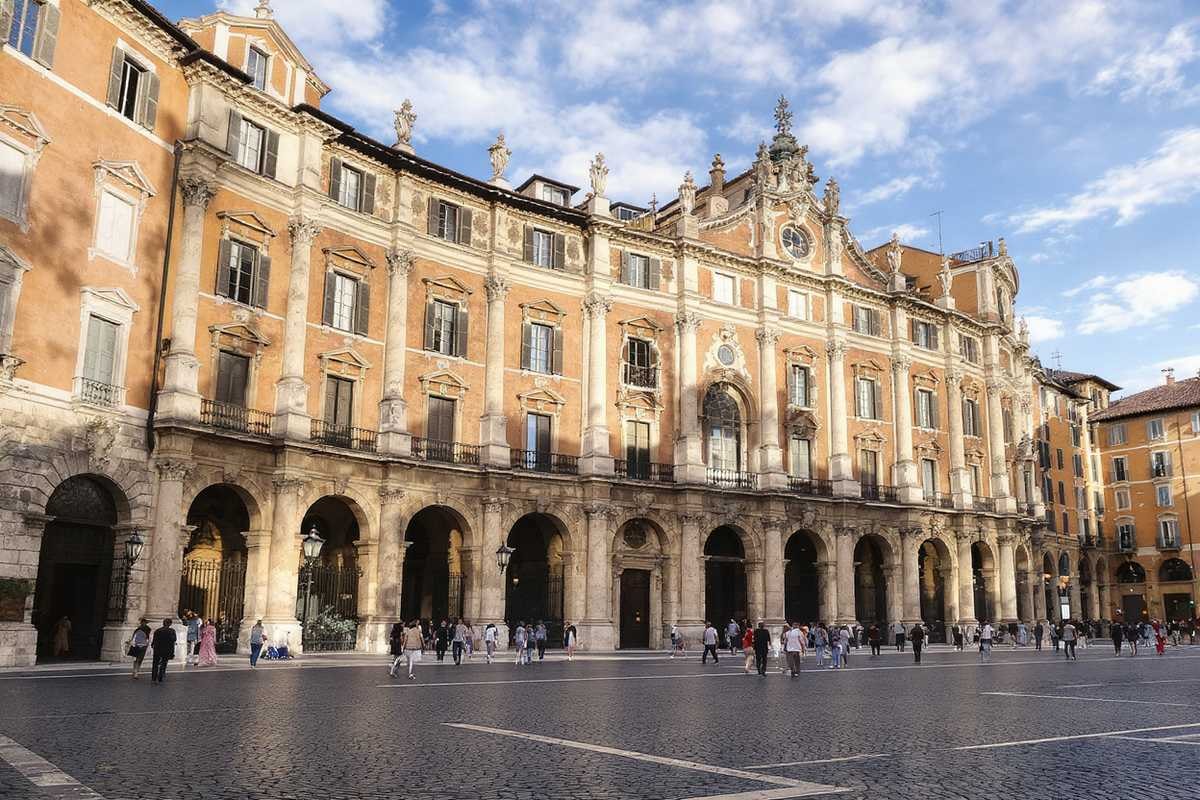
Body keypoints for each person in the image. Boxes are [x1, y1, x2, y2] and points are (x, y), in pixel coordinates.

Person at [150, 618, 176, 683]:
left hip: (157, 649)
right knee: (164, 663)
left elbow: (154, 641)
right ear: (170, 624)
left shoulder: (157, 630)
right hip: (166, 650)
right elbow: (174, 639)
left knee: (155, 664)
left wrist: (153, 646)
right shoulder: (172, 631)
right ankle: (160, 677)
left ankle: (153, 678)